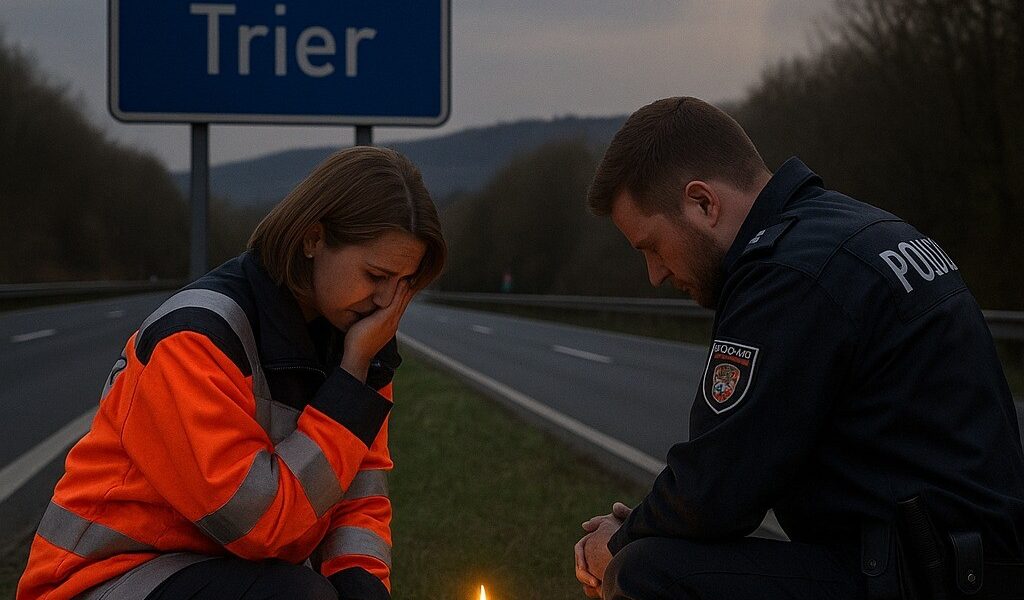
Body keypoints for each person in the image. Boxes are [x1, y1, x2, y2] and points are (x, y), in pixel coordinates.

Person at [573, 97, 1024, 599]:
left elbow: (717, 490)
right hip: (965, 564)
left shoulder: (785, 276)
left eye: (652, 246)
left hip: (926, 579)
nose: (655, 274)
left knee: (646, 571)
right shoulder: (858, 230)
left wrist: (621, 540)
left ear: (703, 203)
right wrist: (651, 518)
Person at [17, 146, 446, 600]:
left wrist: (361, 583)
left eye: (404, 284)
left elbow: (358, 497)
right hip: (103, 576)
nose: (385, 303)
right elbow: (259, 526)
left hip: (220, 572)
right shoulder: (198, 336)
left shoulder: (355, 336)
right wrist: (350, 380)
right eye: (376, 274)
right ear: (313, 238)